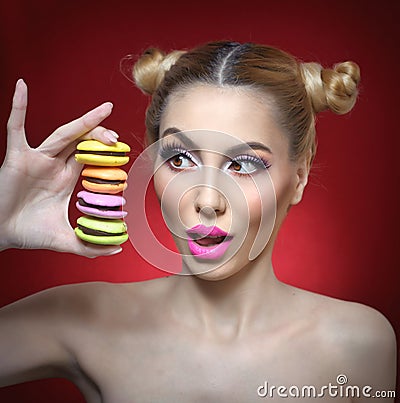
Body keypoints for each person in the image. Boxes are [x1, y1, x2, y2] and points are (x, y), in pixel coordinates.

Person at [0, 41, 396, 402]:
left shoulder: (358, 345)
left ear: (300, 176)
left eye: (243, 164)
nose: (207, 201)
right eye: (179, 160)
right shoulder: (85, 319)